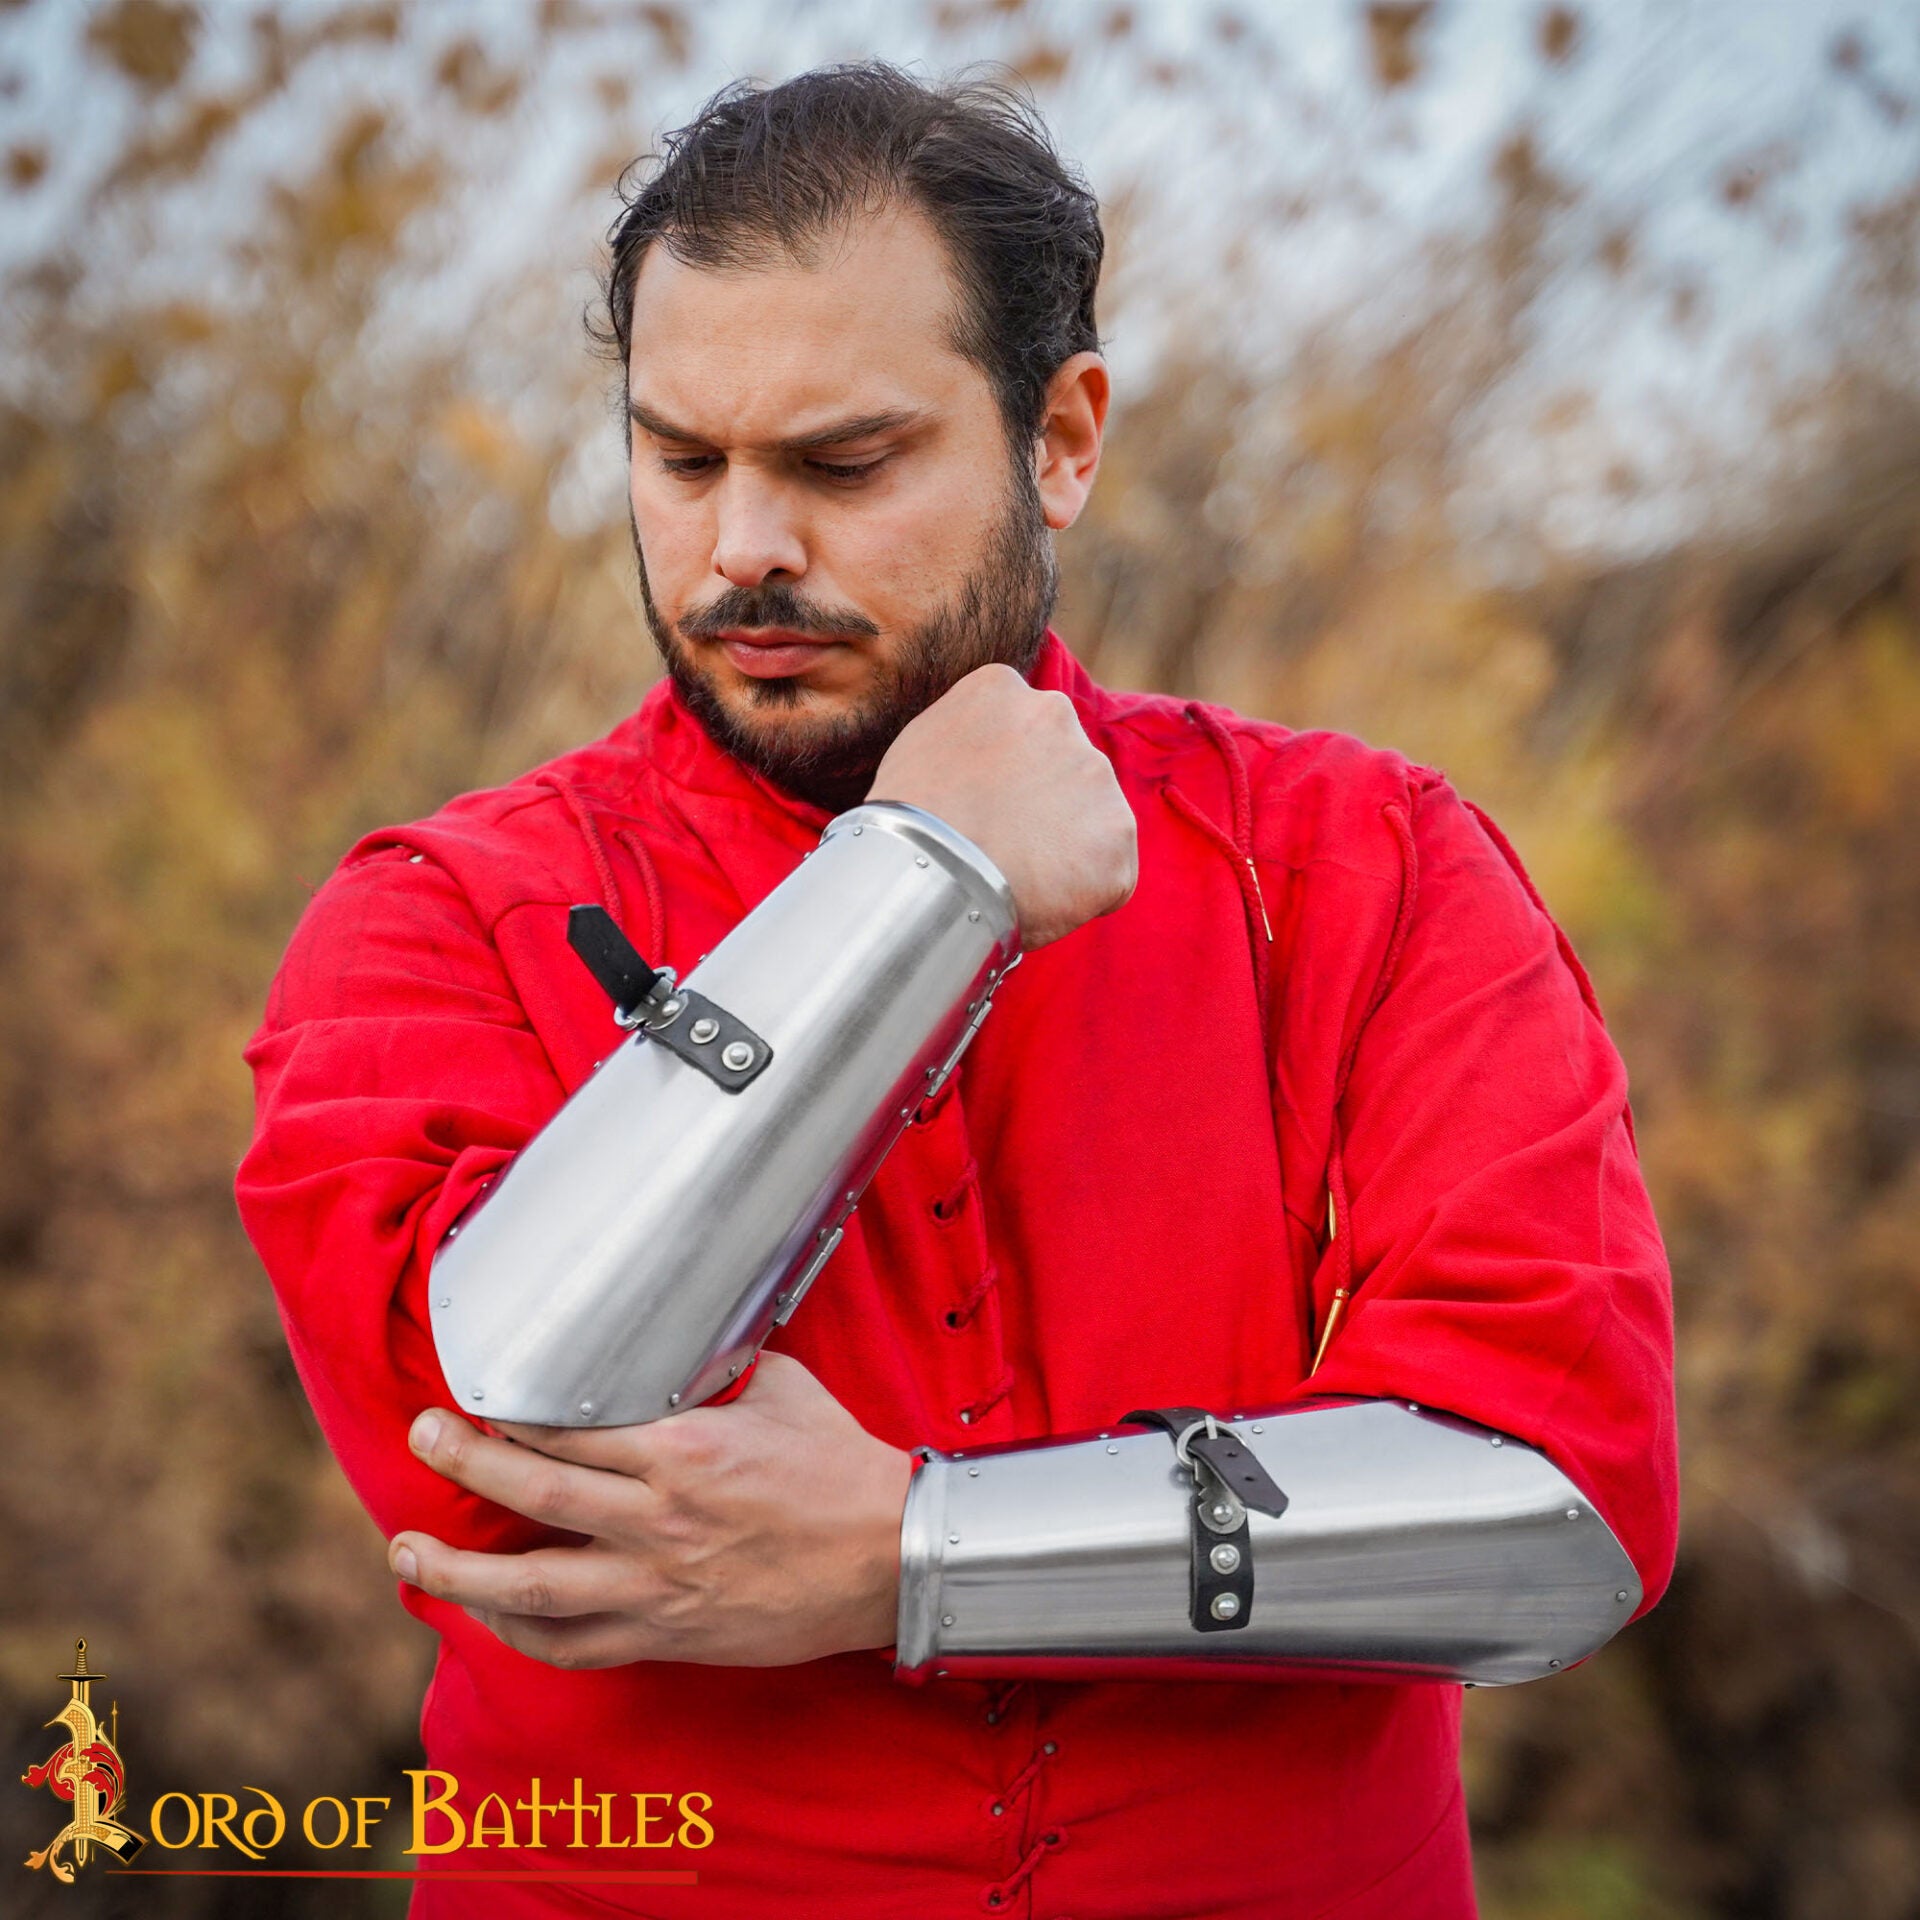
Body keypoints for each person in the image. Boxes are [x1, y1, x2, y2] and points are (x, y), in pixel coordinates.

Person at [237, 64, 1678, 1920]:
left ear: (1062, 436)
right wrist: (926, 880)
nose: (741, 547)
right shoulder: (438, 916)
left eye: (843, 464)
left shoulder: (1360, 866)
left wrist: (922, 1550)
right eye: (680, 460)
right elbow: (510, 1443)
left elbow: (1557, 1510)